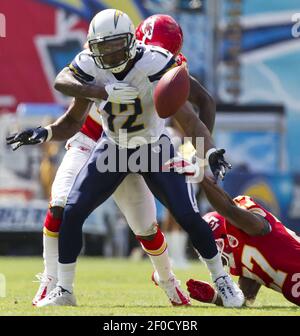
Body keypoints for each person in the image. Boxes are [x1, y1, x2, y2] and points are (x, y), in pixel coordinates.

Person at [7, 9, 243, 308]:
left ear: (131, 41)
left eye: (115, 45)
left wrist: (208, 151)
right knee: (72, 211)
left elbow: (191, 117)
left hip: (153, 147)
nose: (108, 53)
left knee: (186, 216)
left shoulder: (155, 61)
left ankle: (222, 279)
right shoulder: (91, 66)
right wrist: (95, 94)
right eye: (102, 47)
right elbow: (69, 108)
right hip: (113, 145)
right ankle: (64, 290)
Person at [186, 176, 300, 306]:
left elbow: (229, 209)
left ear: (225, 238)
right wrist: (214, 297)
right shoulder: (248, 261)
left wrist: (200, 176)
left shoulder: (255, 228)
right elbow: (242, 301)